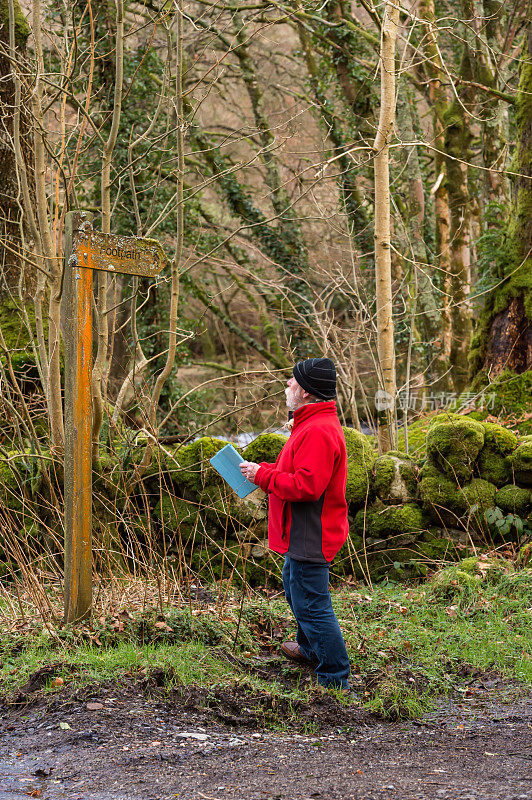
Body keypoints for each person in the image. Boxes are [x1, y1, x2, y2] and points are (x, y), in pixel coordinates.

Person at [240, 357, 350, 690]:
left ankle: (334, 676)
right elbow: (298, 468)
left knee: (312, 604)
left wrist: (262, 475)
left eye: (291, 381)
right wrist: (294, 433)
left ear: (304, 390)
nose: (287, 385)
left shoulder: (317, 431)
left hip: (310, 533)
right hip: (302, 532)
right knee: (294, 588)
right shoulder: (310, 425)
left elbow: (306, 486)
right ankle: (309, 648)